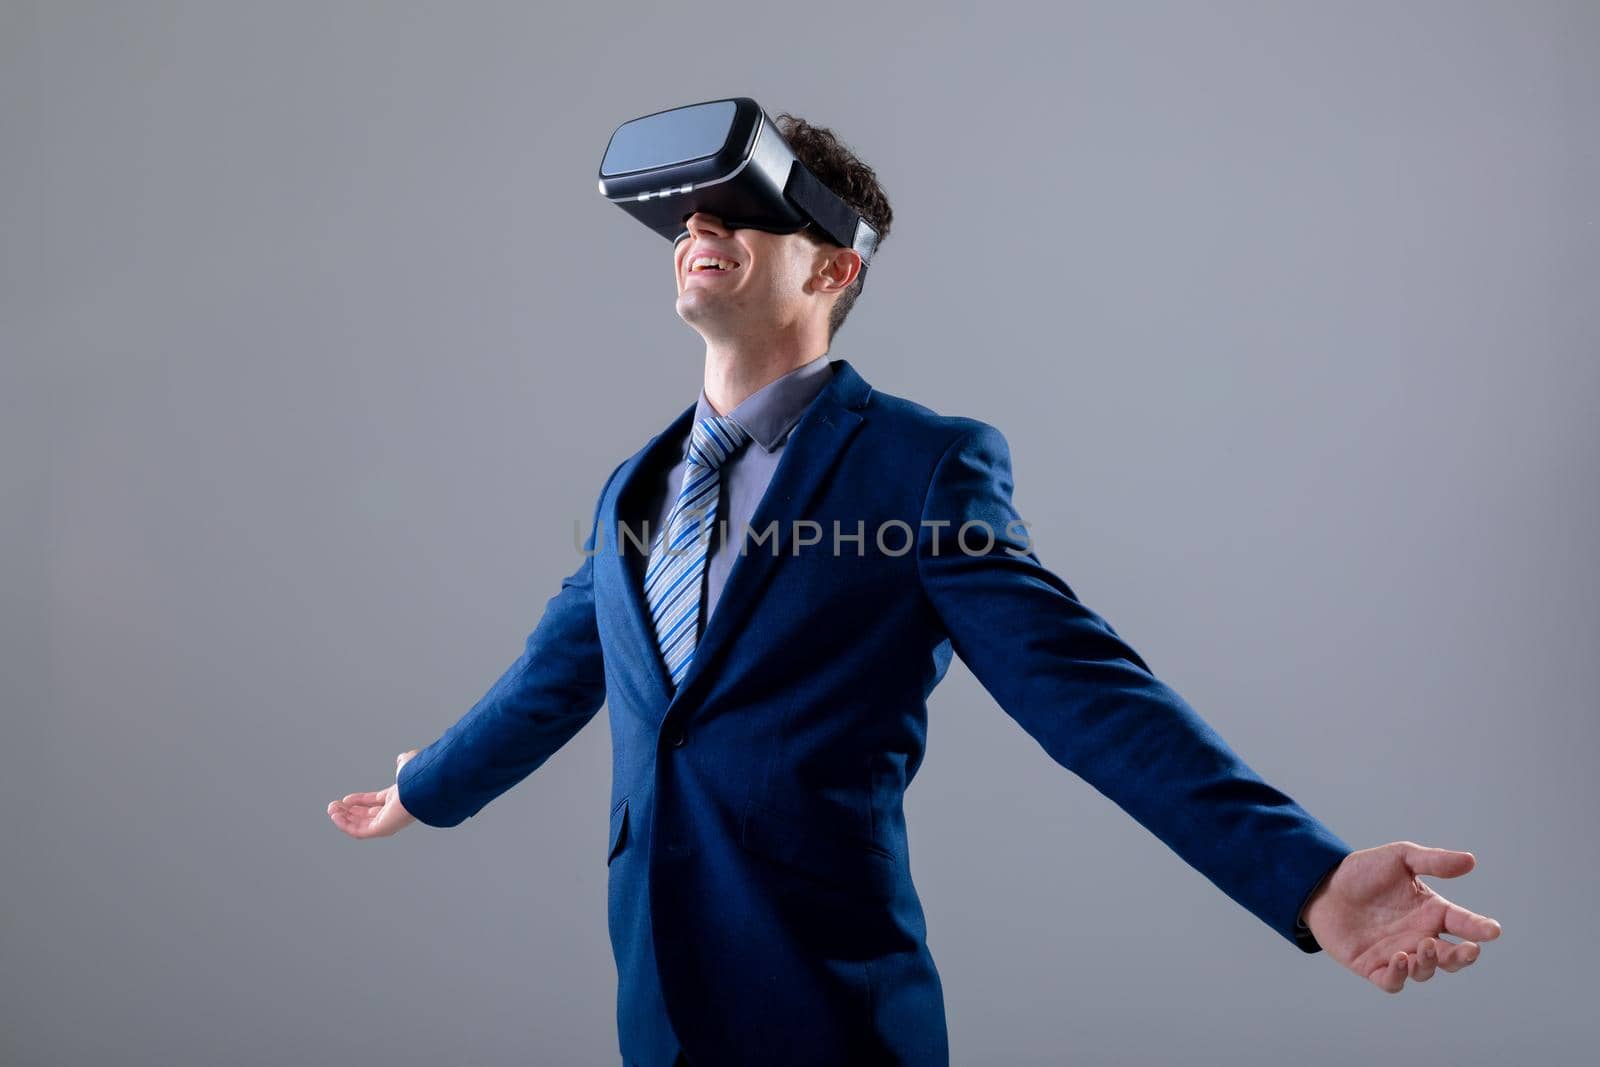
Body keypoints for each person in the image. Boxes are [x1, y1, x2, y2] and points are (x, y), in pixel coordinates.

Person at [328, 112, 1502, 1067]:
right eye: (691, 214)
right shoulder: (633, 487)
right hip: (658, 989)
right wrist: (422, 786)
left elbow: (1084, 691)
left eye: (746, 212)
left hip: (827, 997)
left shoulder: (920, 465)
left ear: (833, 266)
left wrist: (1305, 874)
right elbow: (554, 672)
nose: (701, 226)